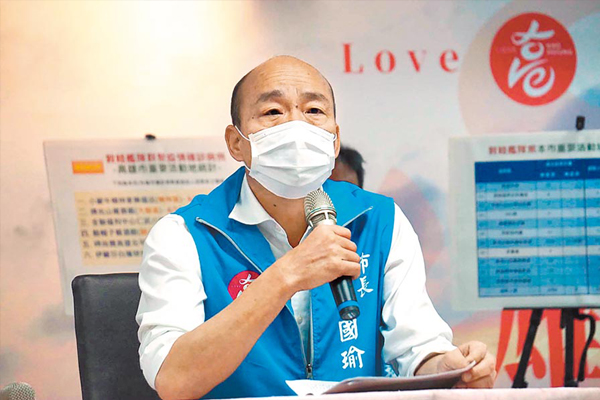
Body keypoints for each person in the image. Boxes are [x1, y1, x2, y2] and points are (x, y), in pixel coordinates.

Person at [136, 56, 496, 400]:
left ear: (334, 140)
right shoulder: (185, 234)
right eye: (273, 112)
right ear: (236, 143)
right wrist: (286, 276)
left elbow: (415, 345)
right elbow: (174, 380)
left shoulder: (379, 220)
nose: (297, 126)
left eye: (313, 111)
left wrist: (445, 368)